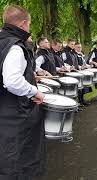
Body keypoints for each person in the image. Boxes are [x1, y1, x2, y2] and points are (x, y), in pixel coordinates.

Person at [0, 5, 46, 179]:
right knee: (15, 161)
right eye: (29, 24)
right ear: (24, 23)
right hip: (14, 115)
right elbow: (12, 81)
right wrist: (35, 91)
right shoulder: (16, 46)